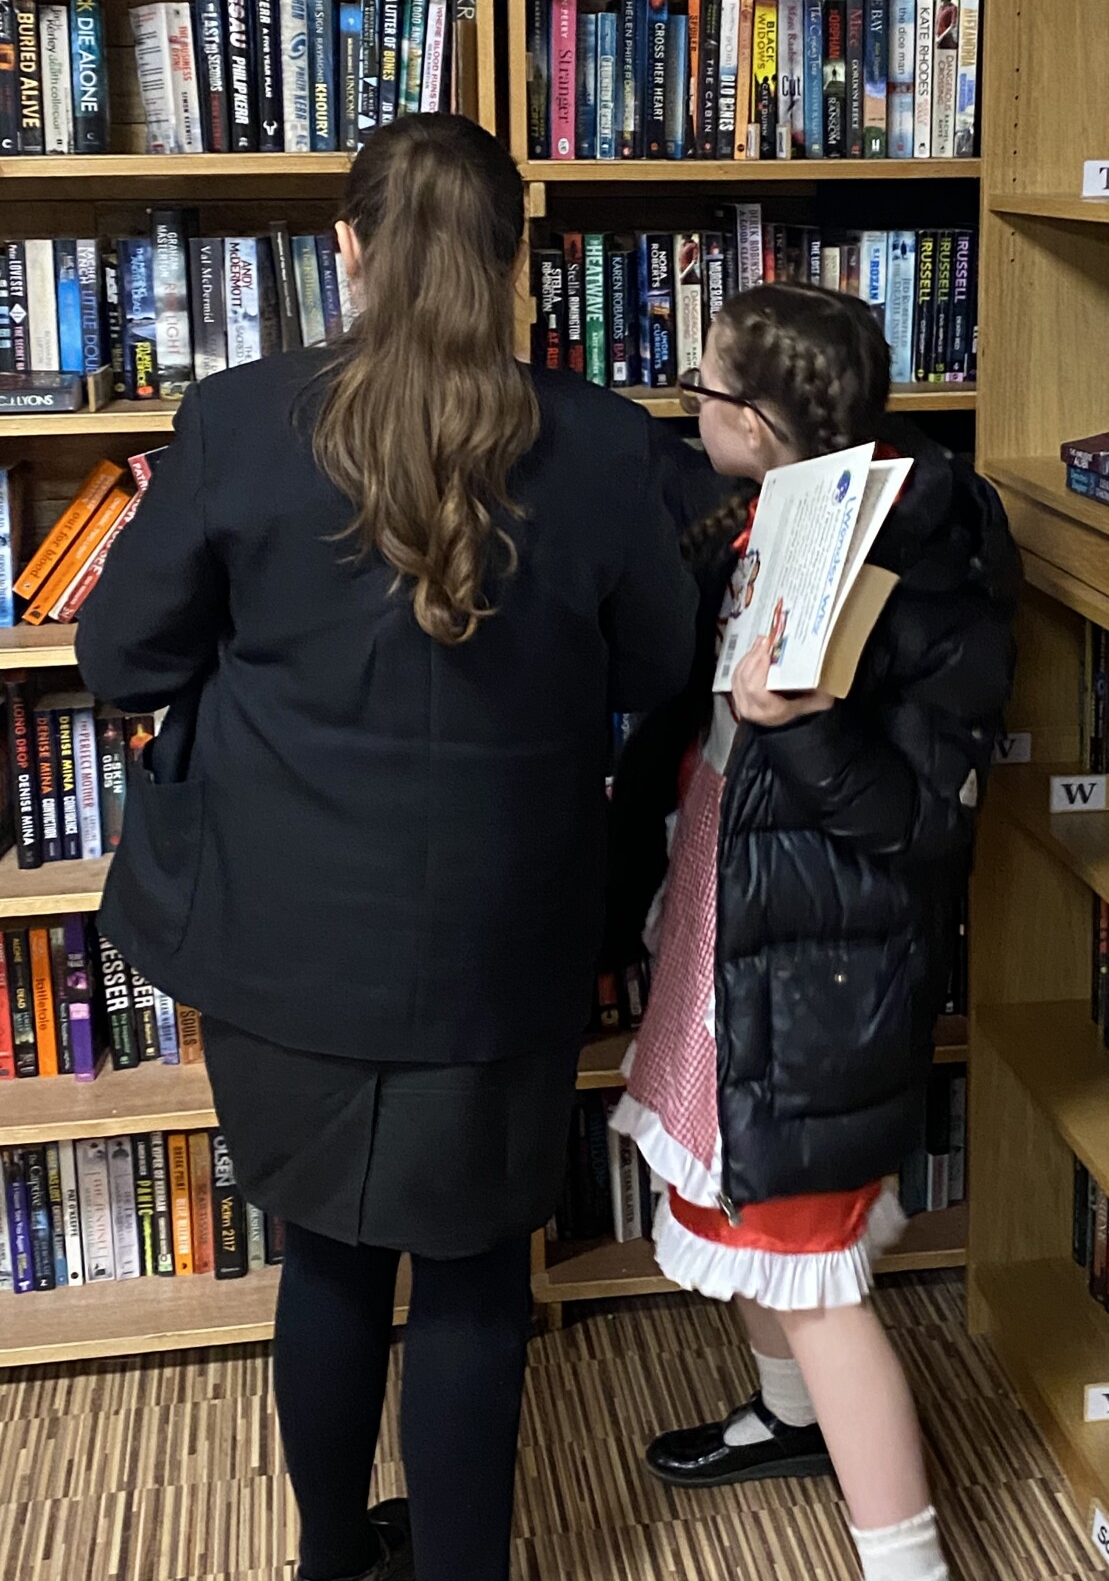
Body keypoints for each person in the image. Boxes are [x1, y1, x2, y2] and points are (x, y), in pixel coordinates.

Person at [75, 115, 698, 1581]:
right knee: (477, 1278)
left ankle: (330, 1561)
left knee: (331, 1259)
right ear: (516, 261)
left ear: (346, 250)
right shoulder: (609, 443)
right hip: (501, 940)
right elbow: (653, 665)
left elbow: (121, 656)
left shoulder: (238, 421)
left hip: (281, 939)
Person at [606, 284, 1019, 1581]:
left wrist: (807, 728)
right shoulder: (768, 510)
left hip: (821, 965)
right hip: (738, 931)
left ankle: (908, 1562)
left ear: (763, 422)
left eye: (706, 388)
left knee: (815, 1268)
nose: (689, 404)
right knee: (746, 1214)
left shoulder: (919, 563)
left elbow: (923, 822)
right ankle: (790, 1425)